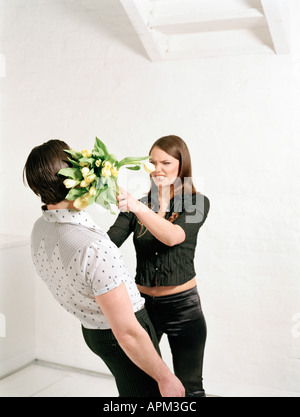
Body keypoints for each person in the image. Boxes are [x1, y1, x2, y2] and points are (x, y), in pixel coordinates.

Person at [23, 139, 185, 398]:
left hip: (92, 330)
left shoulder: (39, 229)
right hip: (123, 334)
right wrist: (166, 377)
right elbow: (128, 333)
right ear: (75, 179)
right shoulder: (94, 247)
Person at [107, 135, 210, 397]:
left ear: (181, 165)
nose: (157, 169)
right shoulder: (139, 204)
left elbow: (173, 236)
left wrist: (137, 208)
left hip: (182, 308)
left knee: (189, 388)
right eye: (152, 162)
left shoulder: (196, 203)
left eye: (166, 162)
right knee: (145, 383)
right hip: (141, 306)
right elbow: (108, 244)